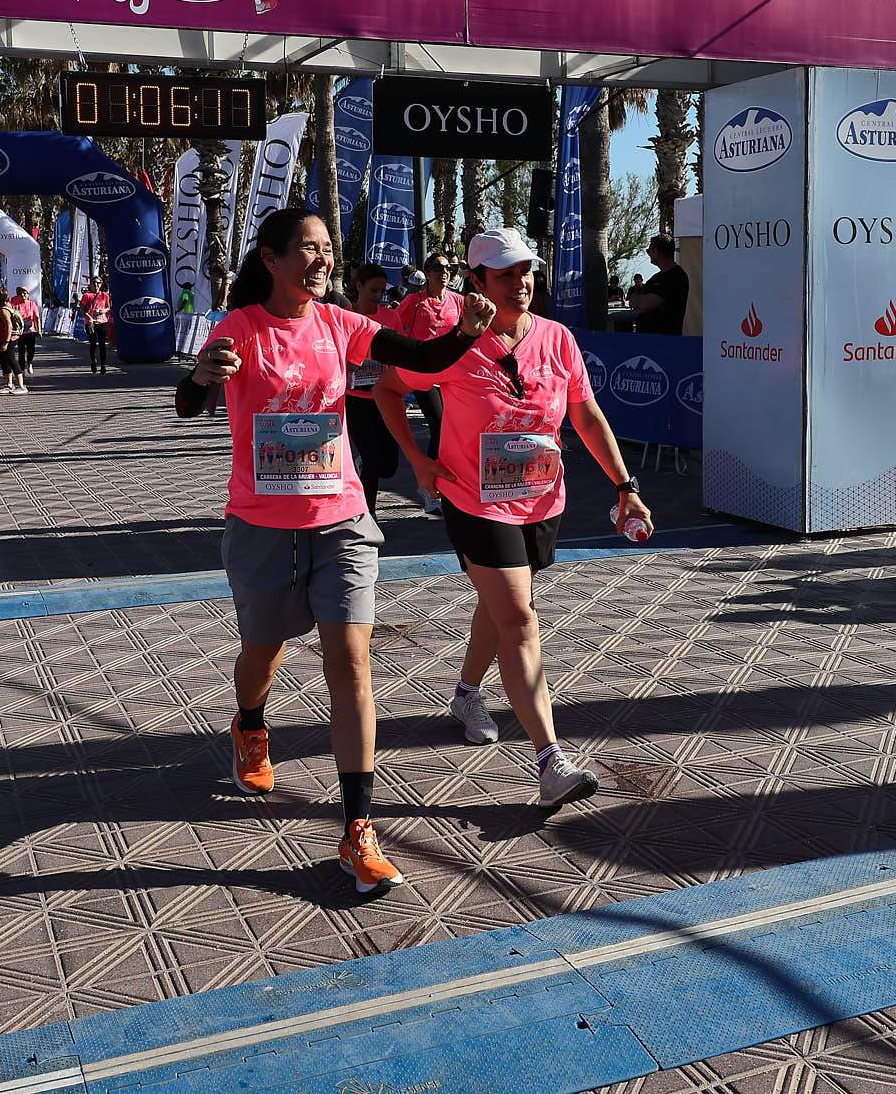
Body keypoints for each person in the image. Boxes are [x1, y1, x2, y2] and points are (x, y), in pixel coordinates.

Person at [175, 207, 493, 892]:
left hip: (341, 515)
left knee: (350, 660)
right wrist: (203, 375)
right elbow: (186, 400)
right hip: (261, 523)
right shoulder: (241, 329)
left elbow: (419, 357)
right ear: (272, 258)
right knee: (262, 649)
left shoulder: (340, 323)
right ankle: (251, 724)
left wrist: (465, 335)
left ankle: (357, 829)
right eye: (309, 249)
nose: (323, 260)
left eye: (328, 249)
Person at [376, 227, 652, 806]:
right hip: (473, 500)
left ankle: (466, 692)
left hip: (538, 498)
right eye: (505, 274)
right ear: (475, 283)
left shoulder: (556, 339)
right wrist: (420, 463)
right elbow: (386, 389)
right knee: (520, 619)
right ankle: (552, 761)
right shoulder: (455, 345)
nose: (521, 283)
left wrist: (626, 485)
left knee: (500, 607)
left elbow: (586, 414)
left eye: (526, 271)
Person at [394, 251, 460, 516]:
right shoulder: (414, 301)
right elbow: (393, 325)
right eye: (437, 268)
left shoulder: (458, 301)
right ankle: (430, 489)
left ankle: (447, 484)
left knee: (450, 429)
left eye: (448, 268)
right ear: (427, 273)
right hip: (423, 375)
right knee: (439, 424)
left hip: (453, 376)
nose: (443, 273)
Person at [343, 264, 404, 517]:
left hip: (386, 396)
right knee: (371, 458)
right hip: (356, 399)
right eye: (373, 290)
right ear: (359, 287)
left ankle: (364, 465)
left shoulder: (391, 318)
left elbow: (402, 352)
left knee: (388, 465)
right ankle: (367, 514)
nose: (378, 296)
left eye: (382, 291)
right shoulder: (343, 317)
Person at [631, 235, 689, 335]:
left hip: (665, 340)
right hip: (648, 339)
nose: (648, 254)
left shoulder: (676, 276)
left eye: (649, 251)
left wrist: (639, 300)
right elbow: (634, 301)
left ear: (656, 251)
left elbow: (644, 304)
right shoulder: (655, 278)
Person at [0, 290, 26, 395]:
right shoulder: (9, 306)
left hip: (8, 339)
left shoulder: (4, 310)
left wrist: (6, 342)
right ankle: (8, 384)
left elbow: (9, 326)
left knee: (11, 360)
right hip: (4, 338)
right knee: (4, 361)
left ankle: (21, 385)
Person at [81, 280, 113, 375]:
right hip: (91, 323)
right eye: (94, 283)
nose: (96, 284)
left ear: (101, 284)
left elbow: (108, 307)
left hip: (102, 322)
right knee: (93, 344)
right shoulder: (87, 296)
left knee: (102, 344)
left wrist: (103, 311)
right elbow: (82, 309)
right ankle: (93, 361)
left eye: (98, 283)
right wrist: (89, 317)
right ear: (91, 285)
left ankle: (103, 365)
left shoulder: (104, 295)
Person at [10, 287, 41, 374]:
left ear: (28, 295)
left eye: (25, 293)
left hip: (31, 331)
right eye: (21, 293)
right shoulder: (16, 304)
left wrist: (39, 330)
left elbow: (36, 317)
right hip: (21, 331)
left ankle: (29, 362)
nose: (23, 295)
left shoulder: (32, 304)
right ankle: (22, 369)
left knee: (31, 350)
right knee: (21, 351)